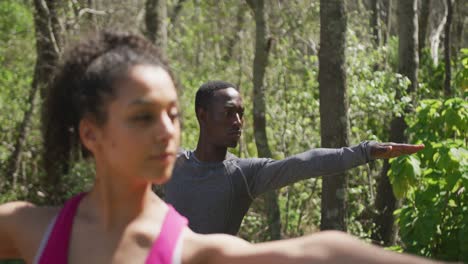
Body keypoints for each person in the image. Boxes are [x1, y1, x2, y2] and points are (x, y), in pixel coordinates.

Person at [0, 30, 438, 264]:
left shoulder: (197, 243)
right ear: (90, 133)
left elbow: (318, 238)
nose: (164, 130)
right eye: (142, 116)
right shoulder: (31, 229)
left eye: (169, 114)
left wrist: (365, 150)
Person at [164, 80, 425, 235]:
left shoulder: (243, 174)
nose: (238, 122)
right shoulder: (168, 163)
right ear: (202, 115)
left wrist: (365, 151)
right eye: (230, 112)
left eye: (241, 114)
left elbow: (305, 163)